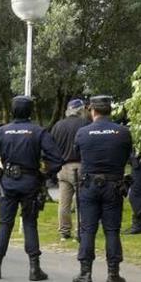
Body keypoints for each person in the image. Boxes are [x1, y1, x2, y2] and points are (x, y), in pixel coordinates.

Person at [0, 96, 64, 280]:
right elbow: (57, 159)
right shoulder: (38, 132)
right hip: (30, 182)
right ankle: (34, 268)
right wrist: (44, 175)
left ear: (13, 110)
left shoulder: (1, 132)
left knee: (4, 224)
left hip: (8, 182)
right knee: (30, 223)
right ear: (31, 111)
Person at [73, 95, 133, 282]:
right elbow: (127, 156)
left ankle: (85, 273)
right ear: (110, 111)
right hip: (113, 185)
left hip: (90, 185)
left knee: (88, 229)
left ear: (92, 110)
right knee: (112, 230)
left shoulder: (83, 132)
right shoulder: (123, 132)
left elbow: (77, 153)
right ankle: (113, 274)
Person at [51, 98, 90, 240]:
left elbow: (52, 147)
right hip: (81, 166)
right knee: (82, 201)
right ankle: (81, 230)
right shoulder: (85, 124)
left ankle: (64, 231)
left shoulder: (58, 126)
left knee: (64, 202)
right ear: (80, 110)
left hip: (62, 167)